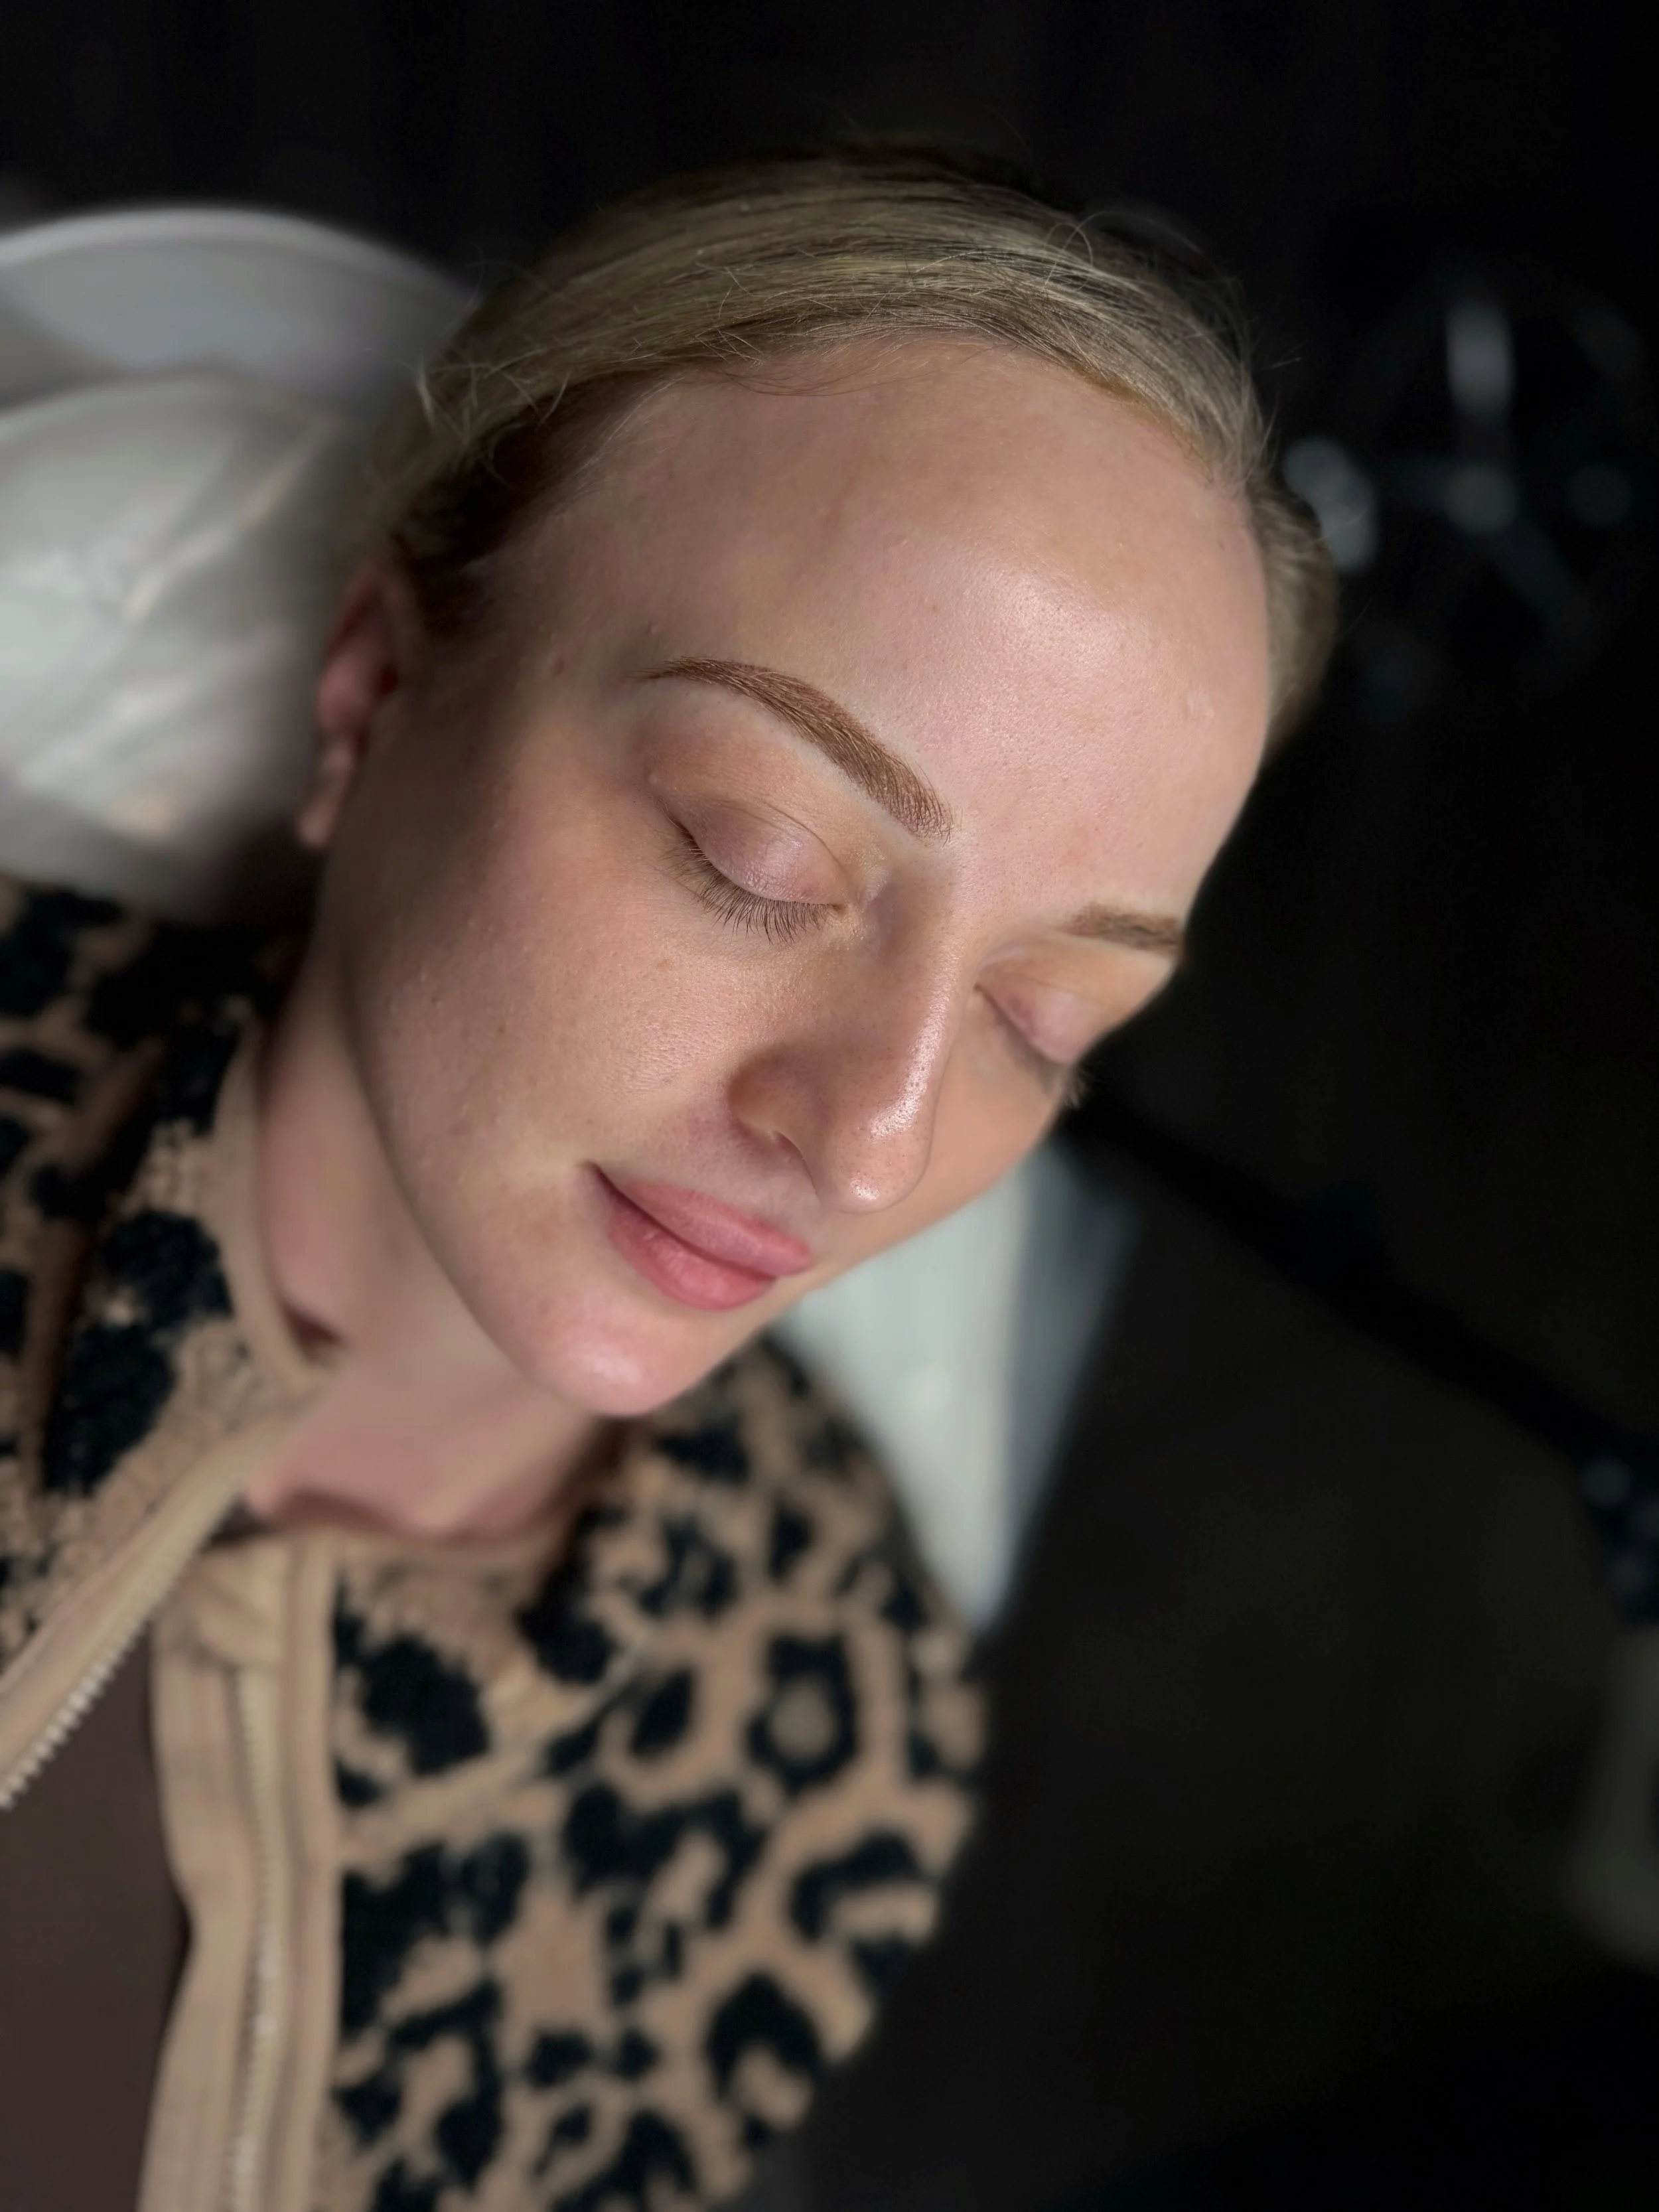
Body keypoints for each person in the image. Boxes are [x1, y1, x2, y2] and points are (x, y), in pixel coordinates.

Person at [0, 147, 1333, 2212]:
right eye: (754, 856)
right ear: (376, 685)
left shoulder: (838, 1760)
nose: (873, 1134)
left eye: (1044, 1018)